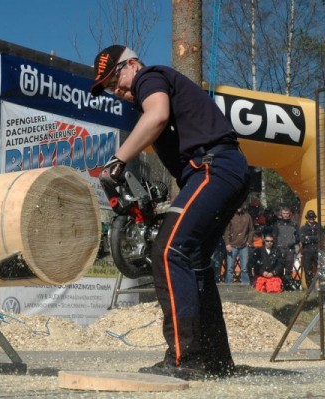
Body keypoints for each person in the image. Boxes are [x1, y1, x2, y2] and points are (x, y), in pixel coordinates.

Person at [91, 45, 251, 380]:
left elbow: (158, 115)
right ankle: (216, 361)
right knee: (194, 261)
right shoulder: (154, 88)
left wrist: (117, 161)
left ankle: (184, 357)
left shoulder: (151, 77)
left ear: (132, 64)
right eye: (109, 88)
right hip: (217, 169)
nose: (117, 91)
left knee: (168, 251)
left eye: (116, 80)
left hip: (213, 166)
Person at [223, 206, 254, 285]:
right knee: (230, 268)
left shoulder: (247, 216)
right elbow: (226, 231)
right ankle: (229, 284)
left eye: (240, 206)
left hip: (244, 246)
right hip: (232, 245)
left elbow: (251, 230)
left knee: (244, 268)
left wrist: (249, 241)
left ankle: (246, 284)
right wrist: (227, 243)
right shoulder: (230, 216)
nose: (238, 208)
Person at [272, 206, 300, 290]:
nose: (285, 215)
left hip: (290, 250)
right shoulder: (277, 224)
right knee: (279, 269)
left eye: (287, 213)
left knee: (289, 269)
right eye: (284, 213)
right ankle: (279, 287)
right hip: (279, 249)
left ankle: (287, 287)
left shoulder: (294, 224)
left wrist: (293, 243)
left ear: (289, 214)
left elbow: (298, 237)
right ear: (281, 214)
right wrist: (276, 247)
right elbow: (274, 237)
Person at [299, 210, 322, 287]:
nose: (311, 219)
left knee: (320, 269)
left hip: (317, 250)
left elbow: (321, 238)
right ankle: (310, 287)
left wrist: (309, 237)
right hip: (307, 251)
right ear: (307, 218)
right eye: (309, 217)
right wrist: (315, 238)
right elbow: (302, 240)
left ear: (314, 217)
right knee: (307, 270)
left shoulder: (319, 226)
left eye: (312, 217)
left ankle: (322, 286)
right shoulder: (303, 228)